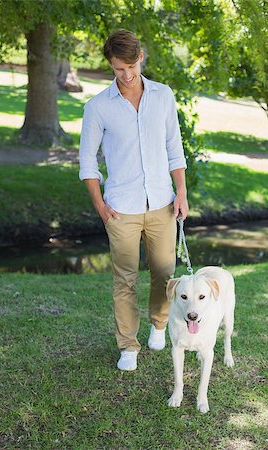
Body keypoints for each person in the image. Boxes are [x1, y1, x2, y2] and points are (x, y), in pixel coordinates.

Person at [79, 29, 189, 371]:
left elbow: (174, 147)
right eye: (118, 69)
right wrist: (100, 205)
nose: (126, 75)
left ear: (140, 56)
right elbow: (87, 161)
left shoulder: (163, 96)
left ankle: (159, 322)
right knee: (125, 278)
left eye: (131, 66)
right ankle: (128, 345)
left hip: (162, 204)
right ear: (110, 66)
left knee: (164, 272)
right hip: (121, 209)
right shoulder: (97, 107)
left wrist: (181, 191)